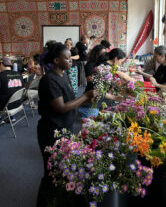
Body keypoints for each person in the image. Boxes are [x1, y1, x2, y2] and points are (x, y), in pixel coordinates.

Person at [37, 42, 96, 207]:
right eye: (67, 58)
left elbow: (70, 100)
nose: (71, 60)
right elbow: (61, 107)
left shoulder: (63, 75)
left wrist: (87, 97)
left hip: (65, 128)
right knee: (52, 173)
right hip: (52, 131)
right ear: (56, 60)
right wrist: (85, 97)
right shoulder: (50, 80)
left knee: (63, 170)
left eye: (71, 57)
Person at [78, 44, 106, 119]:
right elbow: (89, 79)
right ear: (97, 54)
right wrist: (104, 78)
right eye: (102, 53)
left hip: (97, 94)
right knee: (89, 120)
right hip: (91, 92)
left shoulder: (101, 64)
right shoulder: (90, 64)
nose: (104, 55)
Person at [0, 57, 24, 124]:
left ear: (1, 64)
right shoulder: (19, 74)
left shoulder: (1, 75)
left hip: (6, 106)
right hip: (18, 103)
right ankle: (11, 117)